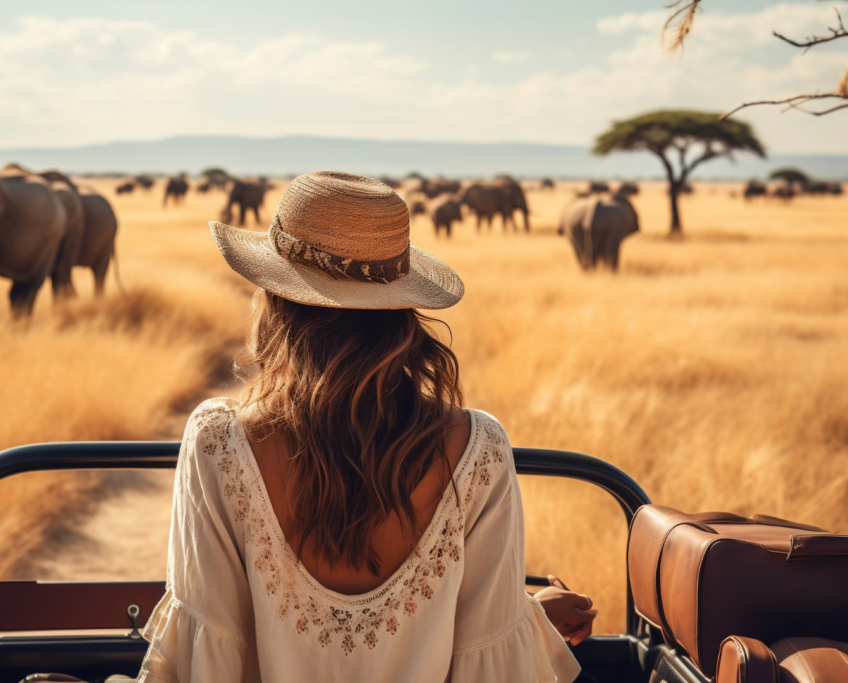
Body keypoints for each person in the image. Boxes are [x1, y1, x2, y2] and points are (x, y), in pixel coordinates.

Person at [138, 172, 596, 682]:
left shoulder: (219, 442)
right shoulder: (478, 449)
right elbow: (485, 657)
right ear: (401, 309)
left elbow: (211, 650)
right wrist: (532, 615)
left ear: (277, 300)